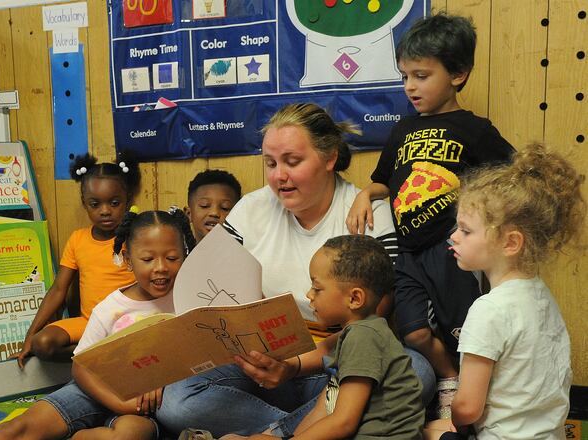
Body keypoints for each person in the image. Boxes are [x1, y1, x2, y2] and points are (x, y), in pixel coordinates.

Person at [158, 102, 435, 438]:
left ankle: (276, 434)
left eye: (293, 162)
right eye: (271, 163)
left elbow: (377, 314)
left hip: (339, 365)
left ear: (330, 157)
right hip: (265, 367)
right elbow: (210, 297)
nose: (279, 176)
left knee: (416, 372)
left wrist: (296, 365)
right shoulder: (252, 209)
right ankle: (324, 428)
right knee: (175, 401)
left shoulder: (365, 212)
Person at [345, 13, 515, 418]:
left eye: (421, 75)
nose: (410, 86)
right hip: (409, 253)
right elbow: (384, 180)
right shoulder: (402, 129)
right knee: (416, 331)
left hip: (454, 252)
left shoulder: (474, 129)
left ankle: (471, 405)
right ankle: (449, 379)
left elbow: (511, 177)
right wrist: (365, 194)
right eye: (405, 76)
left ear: (457, 74)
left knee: (465, 332)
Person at [0, 209, 198, 440]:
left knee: (130, 435)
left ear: (185, 255)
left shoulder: (190, 299)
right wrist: (118, 402)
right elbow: (80, 368)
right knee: (20, 430)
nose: (161, 268)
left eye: (172, 257)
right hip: (96, 389)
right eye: (147, 259)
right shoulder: (110, 307)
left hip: (144, 405)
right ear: (128, 259)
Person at [426, 144, 582, 439]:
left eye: (466, 230)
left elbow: (468, 408)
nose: (453, 237)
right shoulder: (542, 296)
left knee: (429, 430)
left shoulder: (489, 309)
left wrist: (452, 424)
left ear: (510, 243)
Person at [223, 235, 424, 440]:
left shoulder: (364, 338)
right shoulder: (352, 335)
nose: (309, 295)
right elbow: (324, 409)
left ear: (354, 298)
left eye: (317, 288)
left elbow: (343, 422)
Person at [11, 152, 140, 368]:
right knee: (42, 344)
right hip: (88, 323)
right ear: (84, 203)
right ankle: (97, 354)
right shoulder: (78, 239)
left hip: (128, 324)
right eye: (95, 204)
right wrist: (30, 336)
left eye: (114, 203)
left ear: (127, 201)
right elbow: (58, 290)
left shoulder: (135, 237)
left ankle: (102, 352)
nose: (105, 211)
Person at [184, 169, 242, 242]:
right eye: (204, 206)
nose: (214, 213)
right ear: (189, 214)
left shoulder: (248, 252)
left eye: (225, 208)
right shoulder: (178, 252)